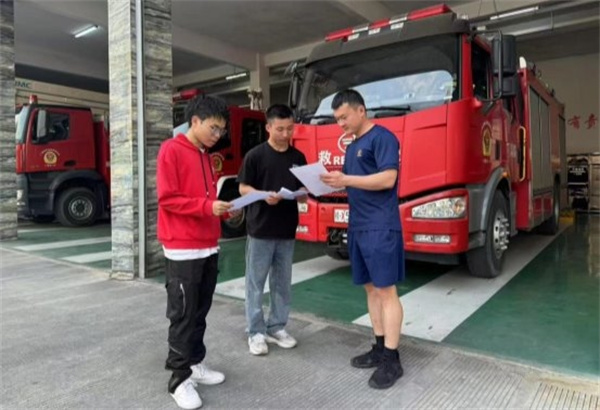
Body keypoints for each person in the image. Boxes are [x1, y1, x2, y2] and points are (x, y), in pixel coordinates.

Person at [157, 95, 238, 409]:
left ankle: (194, 363)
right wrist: (207, 207)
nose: (217, 135)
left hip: (207, 245)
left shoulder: (205, 155)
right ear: (195, 121)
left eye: (221, 130)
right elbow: (168, 199)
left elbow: (204, 200)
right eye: (213, 128)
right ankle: (179, 379)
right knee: (183, 315)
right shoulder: (171, 150)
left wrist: (221, 210)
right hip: (183, 248)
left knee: (200, 312)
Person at [320, 89, 405, 390]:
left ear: (361, 110)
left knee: (386, 291)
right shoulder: (352, 146)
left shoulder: (382, 138)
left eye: (344, 117)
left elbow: (388, 179)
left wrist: (345, 179)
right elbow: (353, 183)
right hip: (358, 225)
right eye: (337, 119)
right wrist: (325, 182)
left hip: (380, 226)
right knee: (370, 288)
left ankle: (392, 359)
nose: (340, 123)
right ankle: (380, 347)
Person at [237, 104, 307, 356]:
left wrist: (303, 193)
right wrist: (263, 194)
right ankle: (255, 332)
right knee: (255, 283)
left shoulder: (298, 157)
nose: (285, 134)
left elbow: (303, 192)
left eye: (290, 128)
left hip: (286, 228)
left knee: (282, 283)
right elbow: (243, 188)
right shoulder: (255, 156)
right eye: (280, 129)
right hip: (260, 228)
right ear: (268, 127)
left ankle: (277, 326)